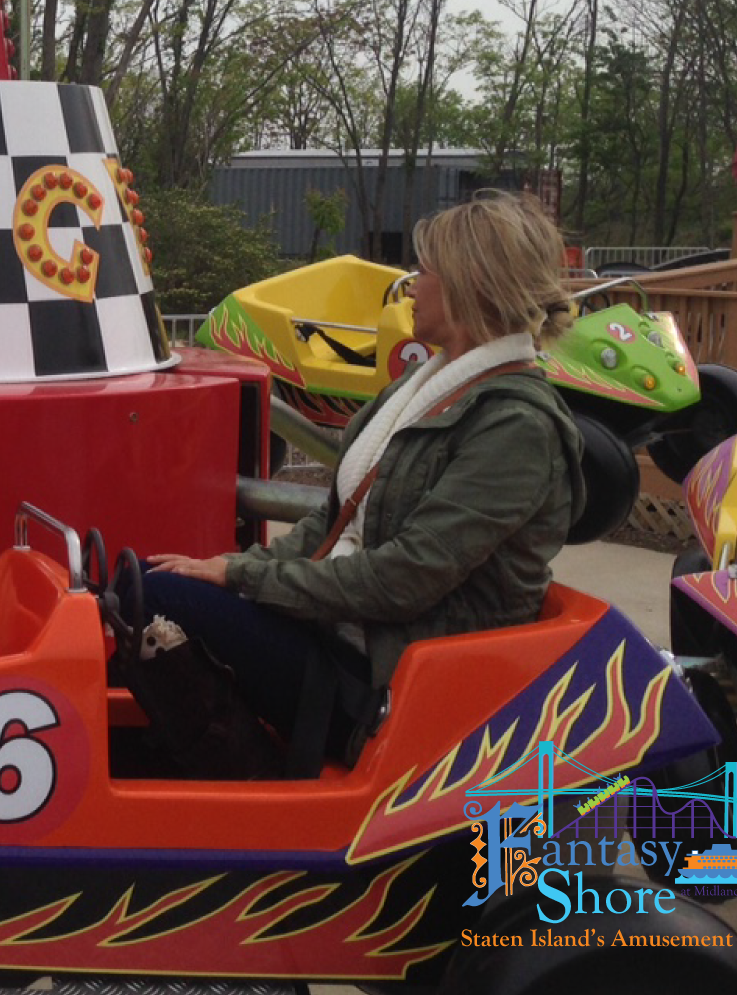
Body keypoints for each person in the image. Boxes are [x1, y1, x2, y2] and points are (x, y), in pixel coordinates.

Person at [143, 189, 586, 769]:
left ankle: (238, 787)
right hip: (344, 638)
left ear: (469, 285)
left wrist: (241, 575)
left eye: (423, 271)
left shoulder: (517, 426)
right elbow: (334, 522)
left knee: (154, 596)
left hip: (384, 677)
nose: (408, 285)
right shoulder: (427, 384)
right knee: (144, 581)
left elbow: (403, 579)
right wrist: (238, 571)